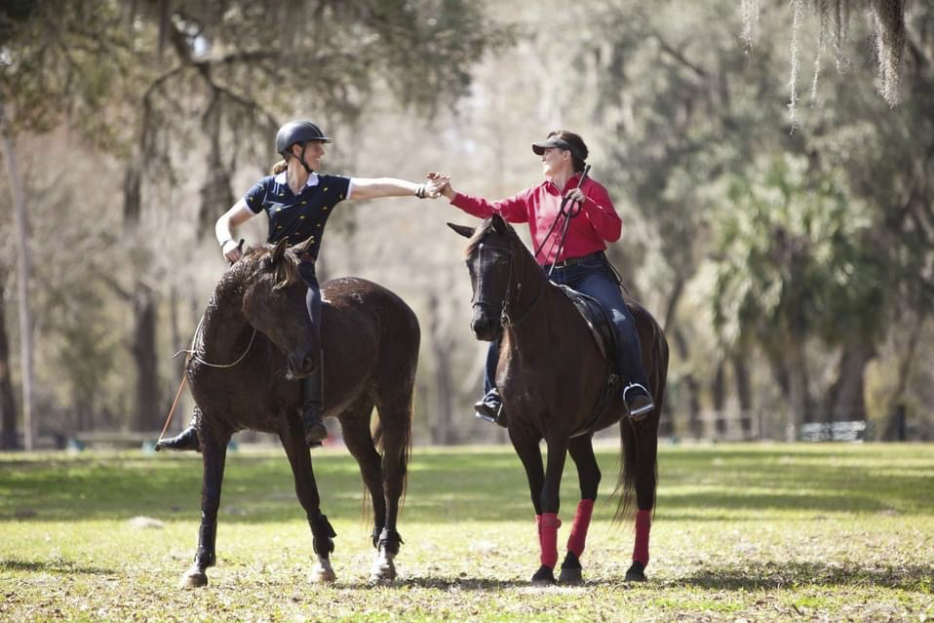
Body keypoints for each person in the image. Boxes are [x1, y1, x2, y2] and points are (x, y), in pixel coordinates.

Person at [160, 119, 440, 450]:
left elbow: (374, 186)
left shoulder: (327, 187)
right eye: (316, 146)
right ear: (296, 151)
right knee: (219, 319)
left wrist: (419, 190)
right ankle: (200, 420)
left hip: (301, 280)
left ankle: (311, 414)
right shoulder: (267, 188)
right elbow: (226, 221)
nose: (321, 152)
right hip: (267, 277)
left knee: (310, 325)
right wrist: (226, 242)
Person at [430, 130, 654, 427]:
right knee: (505, 322)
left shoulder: (593, 190)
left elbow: (613, 232)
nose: (543, 157)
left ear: (567, 155)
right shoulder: (533, 195)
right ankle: (494, 395)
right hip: (547, 275)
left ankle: (634, 388)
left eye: (549, 151)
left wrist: (588, 204)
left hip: (589, 272)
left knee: (621, 321)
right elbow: (492, 210)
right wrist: (452, 195)